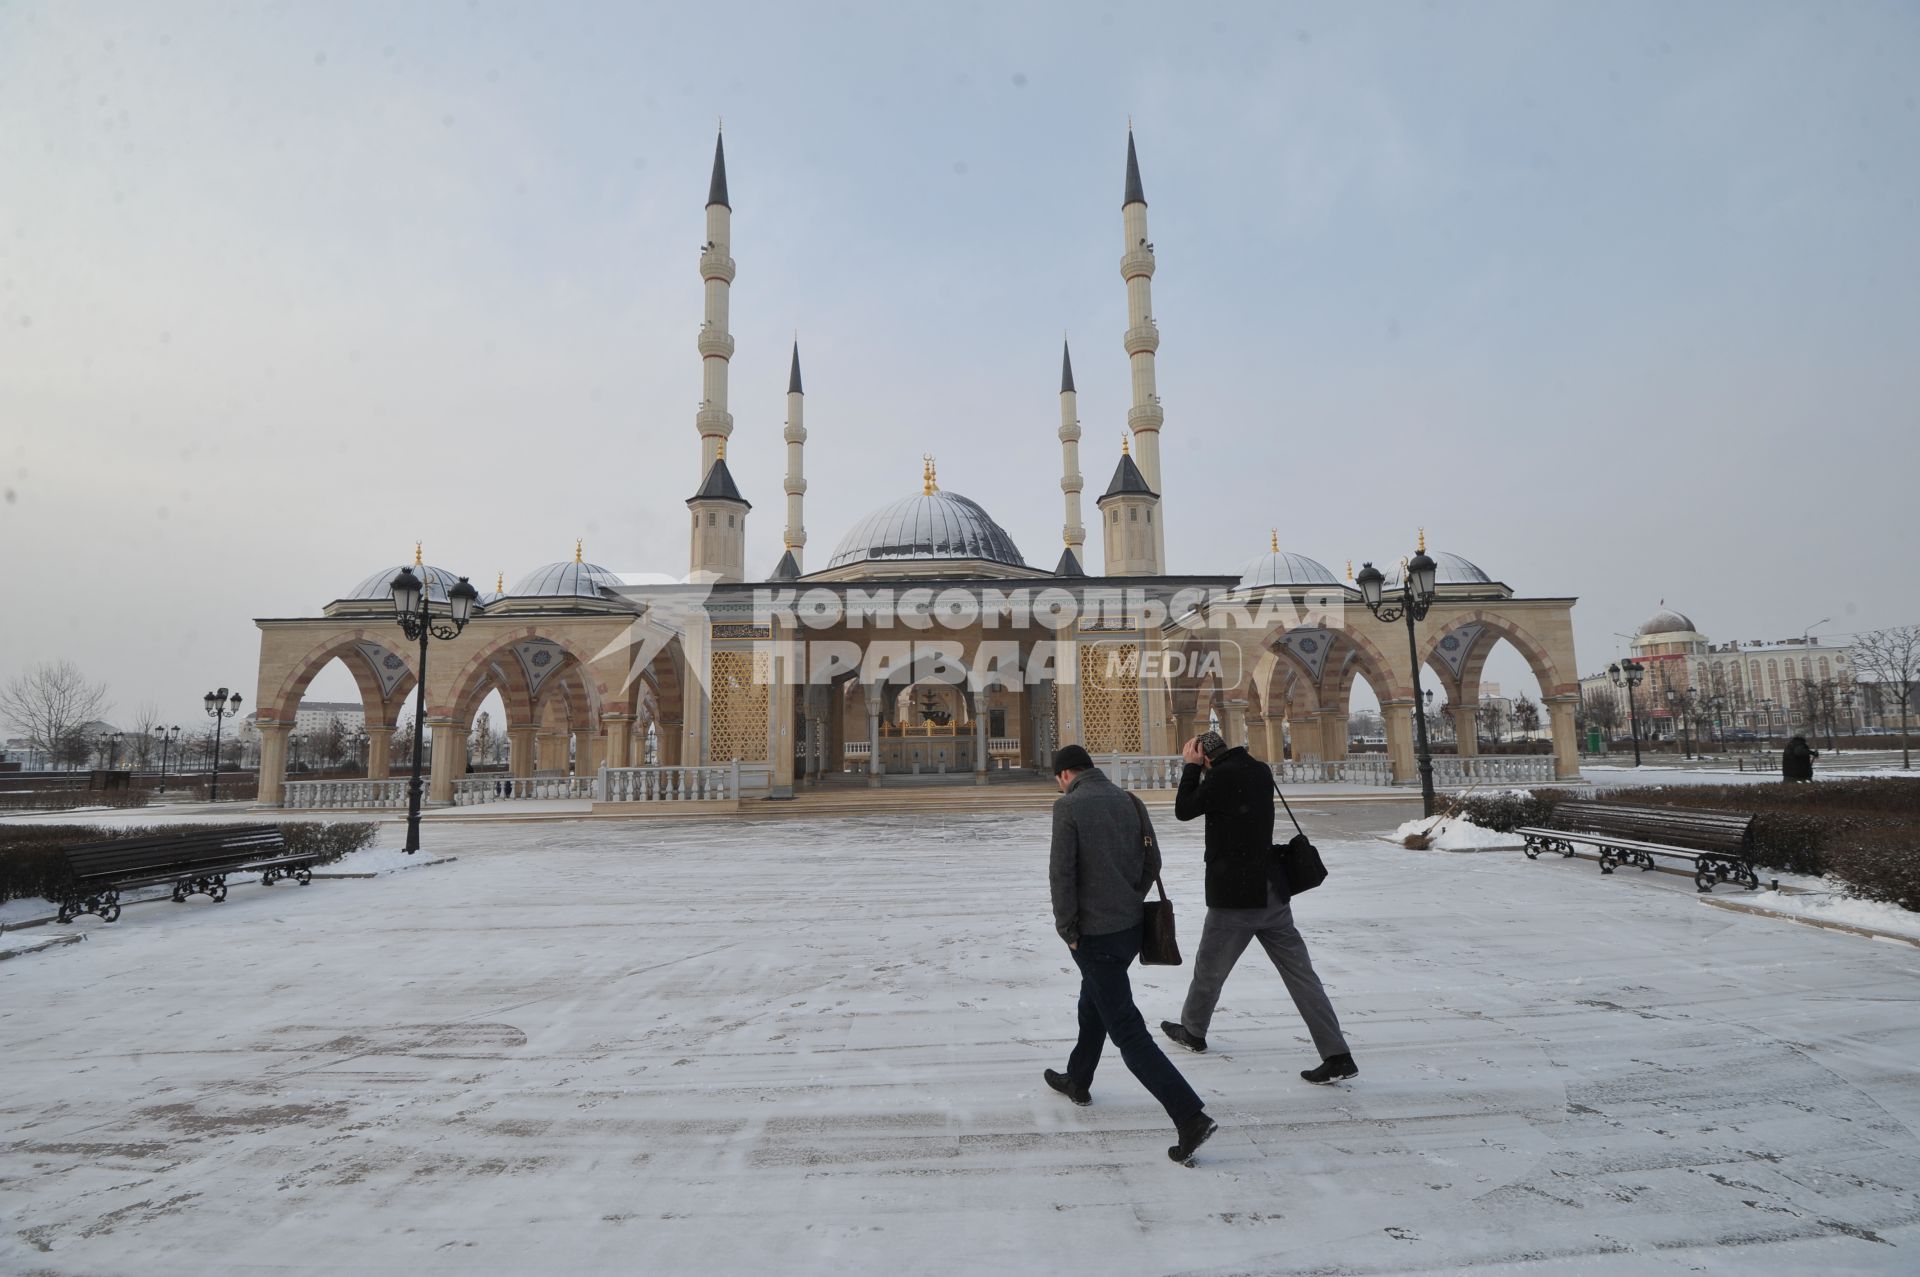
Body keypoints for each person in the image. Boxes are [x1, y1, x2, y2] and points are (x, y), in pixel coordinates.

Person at [1044, 743, 1217, 1165]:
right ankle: (1078, 1079)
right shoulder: (1129, 800)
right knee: (1095, 1003)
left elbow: (1061, 873)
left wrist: (1067, 928)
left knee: (1127, 1030)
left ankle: (1189, 1114)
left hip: (1093, 936)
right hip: (1130, 928)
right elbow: (1151, 859)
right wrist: (1129, 899)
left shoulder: (1068, 808)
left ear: (1065, 774)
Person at [1161, 730, 1357, 1085]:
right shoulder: (1259, 770)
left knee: (1209, 969)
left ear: (1205, 756)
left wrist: (1190, 769)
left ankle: (1192, 1031)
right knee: (1302, 976)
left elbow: (1184, 810)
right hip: (1273, 892)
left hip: (1235, 897)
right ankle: (1338, 1054)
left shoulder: (1220, 775)